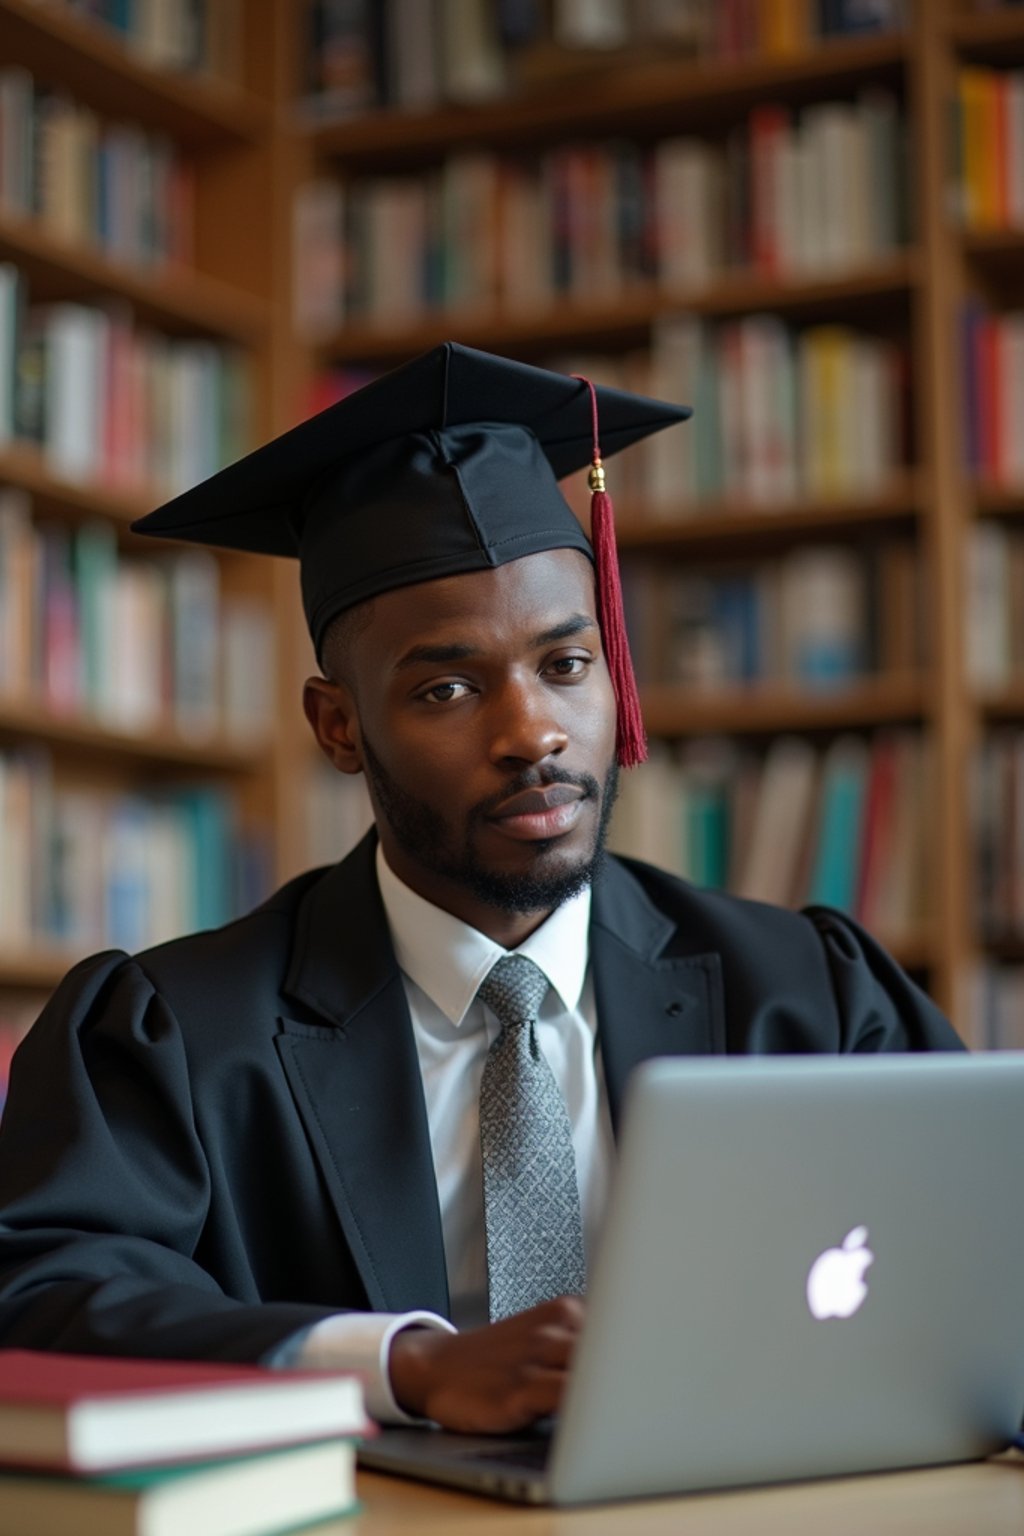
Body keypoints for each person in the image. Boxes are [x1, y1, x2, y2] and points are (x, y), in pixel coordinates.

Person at [0, 343, 963, 1434]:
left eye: (566, 664)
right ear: (338, 727)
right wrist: (409, 1368)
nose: (532, 733)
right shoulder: (176, 1039)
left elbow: (981, 1254)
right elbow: (44, 1300)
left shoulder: (810, 994)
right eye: (448, 686)